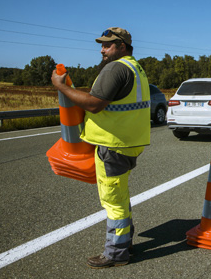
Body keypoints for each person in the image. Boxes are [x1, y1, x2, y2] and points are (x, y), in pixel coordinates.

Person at [51, 27, 150, 269]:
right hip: (129, 143)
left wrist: (61, 87)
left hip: (112, 145)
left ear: (122, 46)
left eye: (108, 45)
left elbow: (95, 104)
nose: (102, 49)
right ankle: (124, 242)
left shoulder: (116, 68)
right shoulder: (135, 67)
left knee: (113, 201)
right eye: (102, 45)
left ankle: (116, 254)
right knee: (121, 196)